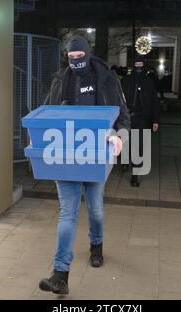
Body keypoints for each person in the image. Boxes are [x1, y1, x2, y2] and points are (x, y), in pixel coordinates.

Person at [39, 35, 130, 295]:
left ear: (88, 55)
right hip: (66, 154)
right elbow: (47, 112)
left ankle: (97, 245)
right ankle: (60, 275)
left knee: (95, 209)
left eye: (80, 56)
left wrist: (119, 136)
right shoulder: (60, 80)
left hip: (97, 153)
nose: (76, 61)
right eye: (71, 57)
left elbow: (123, 115)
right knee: (67, 213)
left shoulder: (107, 79)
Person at [121, 55, 160, 187]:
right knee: (126, 142)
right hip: (127, 117)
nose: (138, 66)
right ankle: (126, 161)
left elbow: (154, 101)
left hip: (142, 118)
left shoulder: (149, 82)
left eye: (140, 64)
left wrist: (155, 120)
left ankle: (135, 174)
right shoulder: (126, 80)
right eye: (136, 63)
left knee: (139, 146)